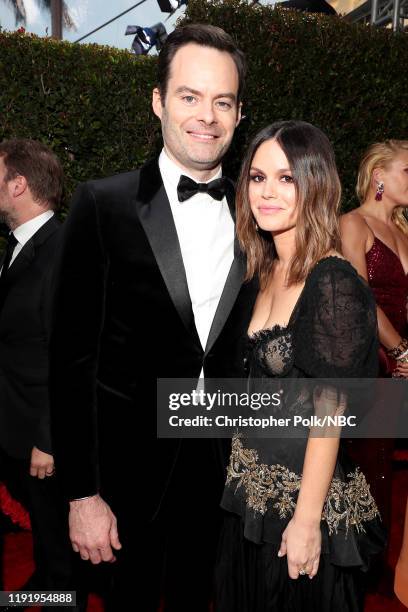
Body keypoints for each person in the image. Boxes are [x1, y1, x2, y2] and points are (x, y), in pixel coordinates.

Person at [49, 24, 257, 611]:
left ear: (240, 115)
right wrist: (82, 494)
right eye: (189, 97)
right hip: (125, 479)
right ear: (159, 101)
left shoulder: (257, 211)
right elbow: (71, 360)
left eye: (223, 102)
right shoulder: (102, 203)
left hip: (221, 473)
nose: (207, 116)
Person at [215, 121, 385, 612]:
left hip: (303, 508)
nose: (267, 192)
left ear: (316, 184)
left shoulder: (332, 280)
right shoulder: (264, 266)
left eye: (286, 179)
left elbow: (329, 412)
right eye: (257, 177)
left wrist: (307, 521)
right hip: (248, 494)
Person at [0, 139, 84, 610]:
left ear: (19, 185)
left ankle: (62, 591)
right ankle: (48, 578)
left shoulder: (62, 250)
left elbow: (70, 355)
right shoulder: (16, 246)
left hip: (43, 429)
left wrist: (49, 438)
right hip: (16, 417)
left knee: (59, 524)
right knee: (45, 525)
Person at [340, 139, 408, 589]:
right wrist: (401, 351)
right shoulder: (352, 223)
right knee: (374, 471)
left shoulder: (405, 232)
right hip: (375, 363)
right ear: (379, 175)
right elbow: (358, 298)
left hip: (405, 360)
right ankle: (362, 577)